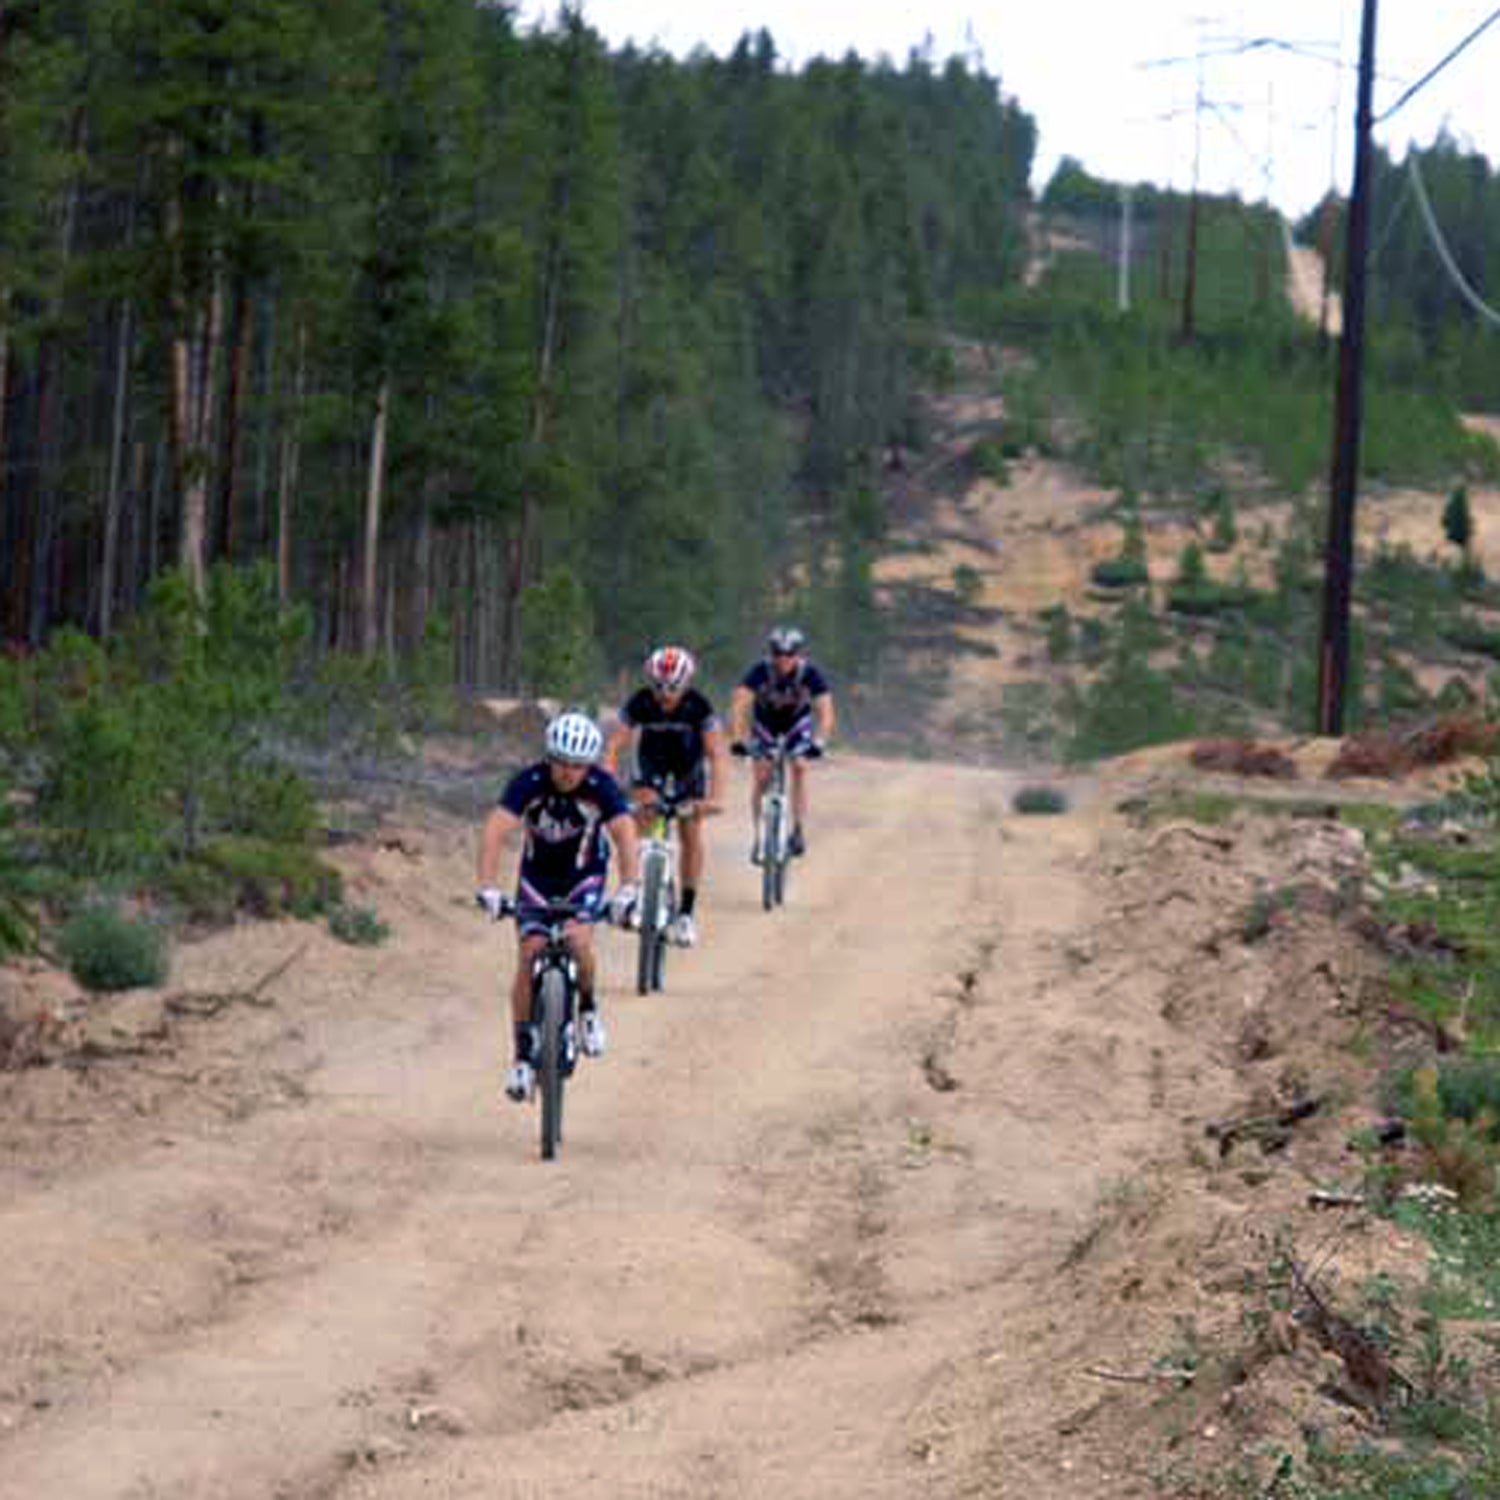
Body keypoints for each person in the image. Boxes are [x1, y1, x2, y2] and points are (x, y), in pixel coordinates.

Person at [476, 711, 640, 1103]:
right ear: (548, 757)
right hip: (538, 876)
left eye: (578, 765)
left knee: (578, 941)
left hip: (583, 875)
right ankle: (520, 1057)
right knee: (529, 951)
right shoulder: (528, 782)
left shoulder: (601, 786)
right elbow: (495, 829)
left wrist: (629, 889)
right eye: (561, 762)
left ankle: (587, 1008)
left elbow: (624, 834)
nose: (568, 773)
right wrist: (487, 886)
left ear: (590, 764)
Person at [602, 645, 728, 948]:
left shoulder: (699, 706)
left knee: (690, 832)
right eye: (658, 686)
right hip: (651, 769)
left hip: (688, 773)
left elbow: (716, 754)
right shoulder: (641, 702)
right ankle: (633, 894)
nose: (665, 693)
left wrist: (714, 799)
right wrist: (606, 782)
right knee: (640, 821)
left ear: (686, 683)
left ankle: (685, 913)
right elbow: (614, 747)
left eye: (673, 687)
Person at [729, 625, 834, 861]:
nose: (783, 659)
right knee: (761, 774)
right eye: (778, 653)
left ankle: (797, 829)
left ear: (799, 654)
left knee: (799, 766)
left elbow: (826, 711)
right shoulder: (760, 670)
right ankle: (759, 837)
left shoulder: (809, 672)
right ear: (771, 652)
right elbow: (740, 703)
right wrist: (737, 738)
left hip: (797, 723)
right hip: (766, 722)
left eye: (789, 654)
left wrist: (820, 741)